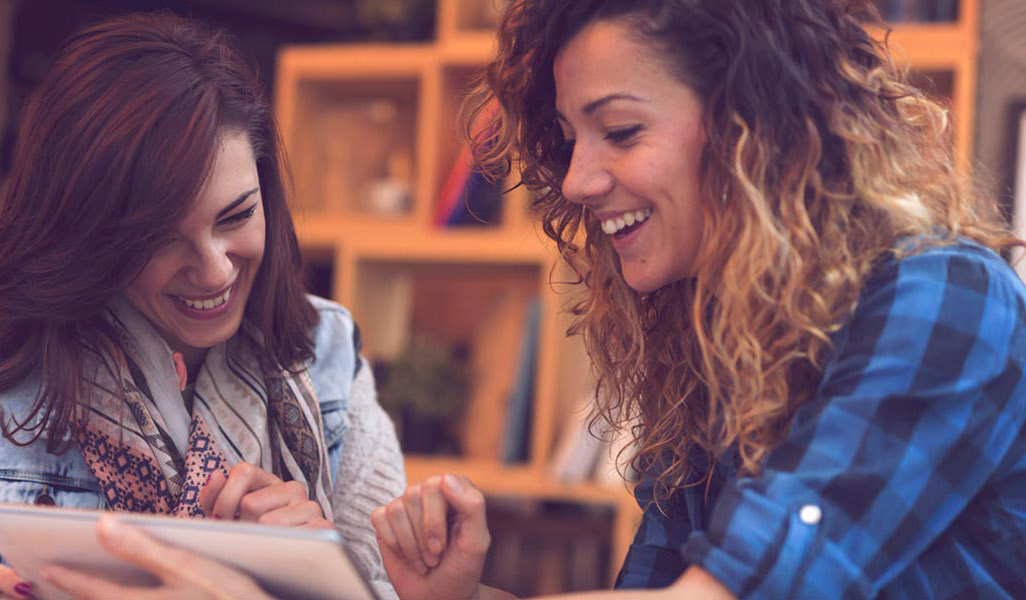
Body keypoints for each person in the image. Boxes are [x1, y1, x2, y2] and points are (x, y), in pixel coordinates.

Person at [367, 0, 1026, 598]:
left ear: (759, 130)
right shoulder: (715, 347)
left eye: (621, 131)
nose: (574, 181)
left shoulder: (949, 300)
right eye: (570, 141)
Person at [0, 13, 406, 600]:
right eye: (160, 237)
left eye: (236, 216)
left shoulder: (330, 364)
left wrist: (321, 583)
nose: (215, 269)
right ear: (83, 235)